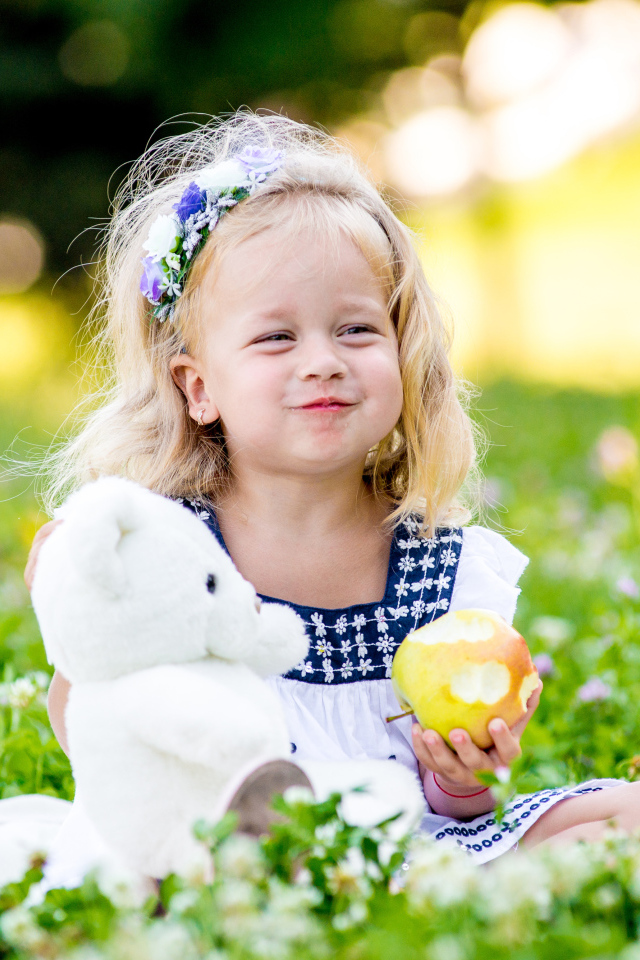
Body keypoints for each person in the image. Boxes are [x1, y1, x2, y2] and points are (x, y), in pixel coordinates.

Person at [25, 112, 640, 874]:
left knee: (627, 816)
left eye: (355, 330)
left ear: (402, 352)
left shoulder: (440, 565)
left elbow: (455, 804)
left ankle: (433, 903)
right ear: (198, 386)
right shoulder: (171, 555)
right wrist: (85, 613)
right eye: (276, 338)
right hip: (236, 848)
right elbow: (95, 726)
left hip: (409, 839)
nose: (321, 361)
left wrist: (461, 777)